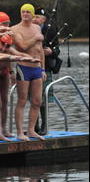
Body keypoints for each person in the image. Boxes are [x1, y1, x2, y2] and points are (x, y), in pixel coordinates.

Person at [11, 4, 46, 141]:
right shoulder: (15, 29)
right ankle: (20, 132)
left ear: (32, 14)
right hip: (23, 67)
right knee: (22, 100)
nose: (25, 14)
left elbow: (40, 49)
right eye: (23, 12)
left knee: (37, 101)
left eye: (28, 12)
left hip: (37, 68)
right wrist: (36, 38)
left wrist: (43, 68)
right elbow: (22, 46)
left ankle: (31, 130)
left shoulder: (37, 27)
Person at [33, 7, 60, 135]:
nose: (34, 19)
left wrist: (51, 52)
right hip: (31, 67)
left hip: (46, 67)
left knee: (42, 98)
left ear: (43, 19)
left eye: (37, 17)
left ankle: (44, 125)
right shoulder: (29, 29)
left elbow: (57, 50)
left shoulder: (50, 31)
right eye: (34, 16)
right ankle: (34, 126)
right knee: (32, 98)